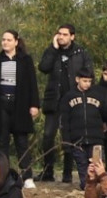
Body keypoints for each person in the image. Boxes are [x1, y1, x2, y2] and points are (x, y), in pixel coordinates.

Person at [37, 24, 94, 182]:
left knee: (69, 137)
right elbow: (43, 67)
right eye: (59, 34)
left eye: (64, 34)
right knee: (48, 135)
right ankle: (47, 171)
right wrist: (53, 48)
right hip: (53, 100)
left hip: (72, 100)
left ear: (72, 36)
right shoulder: (53, 51)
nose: (61, 37)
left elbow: (89, 74)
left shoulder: (80, 53)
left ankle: (67, 173)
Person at [0, 30, 39, 179]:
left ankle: (27, 176)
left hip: (20, 105)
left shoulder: (25, 60)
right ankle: (4, 175)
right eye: (3, 40)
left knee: (21, 141)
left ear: (16, 42)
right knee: (2, 141)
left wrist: (34, 104)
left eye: (9, 40)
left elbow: (32, 83)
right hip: (1, 104)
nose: (5, 42)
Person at [61, 70, 107, 183]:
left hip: (95, 138)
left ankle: (98, 188)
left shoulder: (97, 95)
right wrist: (66, 141)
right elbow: (65, 121)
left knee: (97, 165)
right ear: (77, 80)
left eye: (89, 81)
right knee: (82, 167)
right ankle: (86, 186)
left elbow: (105, 114)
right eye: (84, 81)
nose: (87, 84)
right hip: (77, 140)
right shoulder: (69, 96)